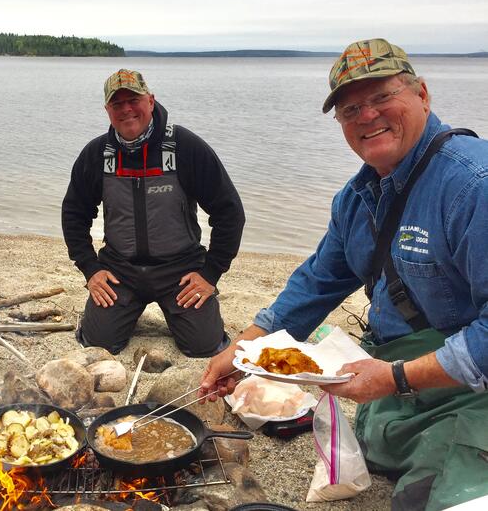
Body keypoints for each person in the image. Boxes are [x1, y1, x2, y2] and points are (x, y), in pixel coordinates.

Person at [199, 39, 488, 510]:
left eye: (381, 98)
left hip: (470, 389)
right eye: (350, 108)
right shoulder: (356, 200)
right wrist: (243, 351)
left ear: (423, 94)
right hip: (404, 384)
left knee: (428, 499)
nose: (367, 116)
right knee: (379, 448)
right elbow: (315, 284)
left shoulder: (475, 184)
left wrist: (393, 378)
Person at [62, 69, 245, 357]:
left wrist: (210, 274)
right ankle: (122, 313)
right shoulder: (98, 153)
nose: (126, 109)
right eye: (117, 103)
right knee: (97, 344)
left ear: (150, 100)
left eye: (133, 100)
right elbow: (74, 213)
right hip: (119, 269)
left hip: (180, 269)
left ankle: (191, 318)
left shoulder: (185, 147)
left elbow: (229, 212)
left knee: (204, 347)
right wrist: (91, 269)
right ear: (107, 110)